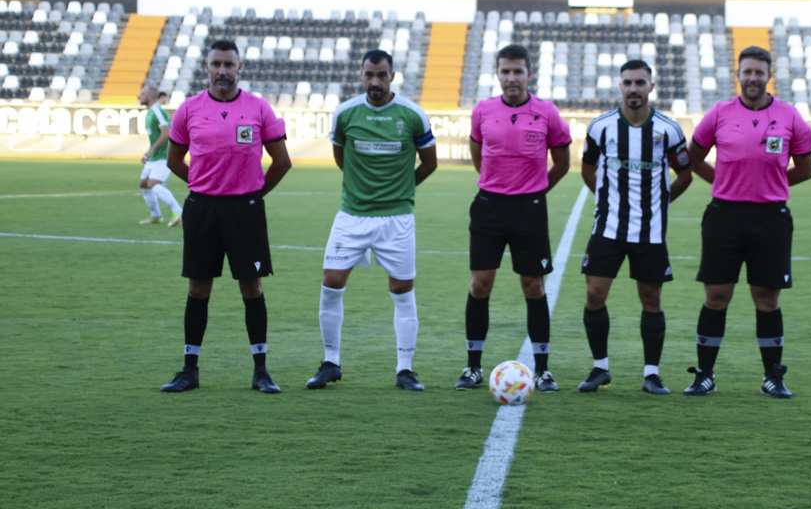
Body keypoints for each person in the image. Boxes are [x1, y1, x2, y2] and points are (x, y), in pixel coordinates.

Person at [683, 45, 811, 398]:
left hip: (771, 218)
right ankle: (704, 375)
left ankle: (773, 376)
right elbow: (692, 159)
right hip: (724, 215)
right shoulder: (719, 113)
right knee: (716, 296)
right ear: (738, 75)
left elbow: (806, 169)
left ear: (768, 75)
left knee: (767, 299)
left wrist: (771, 185)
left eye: (759, 72)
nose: (753, 78)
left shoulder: (789, 117)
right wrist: (723, 183)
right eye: (747, 72)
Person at [160, 39, 292, 394]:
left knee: (252, 287)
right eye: (216, 64)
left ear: (239, 68)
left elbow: (282, 162)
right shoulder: (189, 110)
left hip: (244, 209)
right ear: (207, 67)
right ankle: (189, 370)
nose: (222, 71)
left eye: (228, 65)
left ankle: (261, 371)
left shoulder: (258, 108)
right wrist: (203, 186)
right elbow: (174, 160)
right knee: (198, 287)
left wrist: (253, 194)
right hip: (202, 208)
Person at [306, 49, 437, 392]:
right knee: (331, 282)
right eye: (368, 75)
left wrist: (402, 190)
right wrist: (361, 190)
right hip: (352, 216)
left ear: (392, 76)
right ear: (361, 76)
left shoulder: (412, 114)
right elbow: (340, 157)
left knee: (401, 290)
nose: (374, 81)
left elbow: (430, 162)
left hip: (397, 219)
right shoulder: (346, 113)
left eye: (381, 74)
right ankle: (330, 362)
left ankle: (405, 369)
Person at [577, 59, 709, 395]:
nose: (633, 88)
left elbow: (684, 175)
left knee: (651, 299)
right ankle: (600, 368)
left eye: (640, 82)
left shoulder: (669, 130)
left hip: (650, 232)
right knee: (594, 294)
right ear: (619, 86)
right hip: (608, 228)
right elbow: (588, 169)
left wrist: (660, 204)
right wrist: (606, 198)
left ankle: (651, 373)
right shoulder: (600, 127)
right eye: (627, 82)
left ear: (651, 86)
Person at [454, 44, 571, 393]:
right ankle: (473, 366)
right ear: (497, 74)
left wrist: (535, 192)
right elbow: (479, 154)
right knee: (480, 284)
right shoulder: (483, 110)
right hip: (489, 207)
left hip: (529, 209)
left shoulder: (547, 112)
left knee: (533, 286)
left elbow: (563, 162)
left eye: (518, 71)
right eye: (505, 71)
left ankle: (544, 368)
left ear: (529, 74)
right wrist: (496, 186)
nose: (511, 78)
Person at [137, 85, 183, 226]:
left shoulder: (157, 111)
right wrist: (150, 151)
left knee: (153, 184)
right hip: (155, 157)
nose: (140, 96)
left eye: (143, 93)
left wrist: (151, 150)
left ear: (151, 96)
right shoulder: (150, 112)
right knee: (144, 185)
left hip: (164, 156)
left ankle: (177, 211)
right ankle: (156, 216)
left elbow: (166, 132)